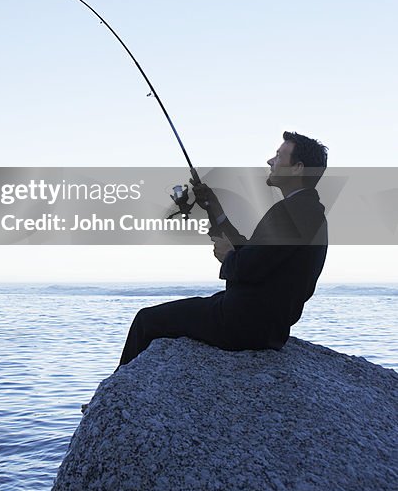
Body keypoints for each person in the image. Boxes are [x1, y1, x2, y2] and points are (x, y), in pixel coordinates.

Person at [116, 131, 329, 367]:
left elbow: (246, 267)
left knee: (146, 320)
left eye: (279, 156)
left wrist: (228, 256)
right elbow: (261, 255)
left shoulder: (288, 213)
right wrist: (216, 210)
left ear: (298, 167)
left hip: (240, 324)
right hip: (269, 327)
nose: (270, 161)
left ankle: (112, 399)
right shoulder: (310, 212)